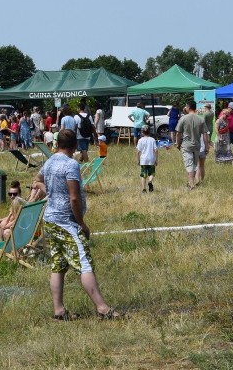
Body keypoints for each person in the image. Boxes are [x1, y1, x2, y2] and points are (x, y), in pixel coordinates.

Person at [36, 129, 119, 321]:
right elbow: (74, 198)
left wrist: (50, 190)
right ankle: (102, 308)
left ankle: (59, 310)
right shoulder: (70, 164)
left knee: (58, 265)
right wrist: (81, 223)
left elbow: (37, 180)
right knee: (84, 263)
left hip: (50, 219)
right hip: (66, 222)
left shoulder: (49, 162)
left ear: (57, 145)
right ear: (74, 146)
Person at [176, 101, 209, 190]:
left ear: (188, 107)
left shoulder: (183, 119)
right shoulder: (201, 119)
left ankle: (191, 184)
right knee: (194, 165)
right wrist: (207, 146)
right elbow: (205, 134)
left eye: (186, 106)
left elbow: (178, 133)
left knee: (190, 166)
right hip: (197, 146)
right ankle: (191, 182)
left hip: (186, 145)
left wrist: (178, 144)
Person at [136, 125, 157, 192]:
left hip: (143, 160)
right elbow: (156, 150)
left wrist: (138, 160)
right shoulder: (152, 139)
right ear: (149, 132)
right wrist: (156, 159)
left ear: (142, 132)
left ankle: (144, 189)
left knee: (143, 175)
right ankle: (150, 181)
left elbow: (138, 151)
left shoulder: (140, 140)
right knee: (152, 173)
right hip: (151, 159)